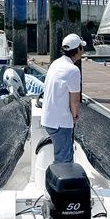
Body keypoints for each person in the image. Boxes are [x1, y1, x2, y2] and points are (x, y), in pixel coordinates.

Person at [41, 33, 84, 163]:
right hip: (61, 123)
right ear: (77, 50)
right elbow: (75, 100)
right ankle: (58, 182)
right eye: (82, 47)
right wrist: (75, 116)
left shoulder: (55, 63)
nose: (83, 50)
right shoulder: (73, 70)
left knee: (61, 156)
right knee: (64, 161)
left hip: (48, 119)